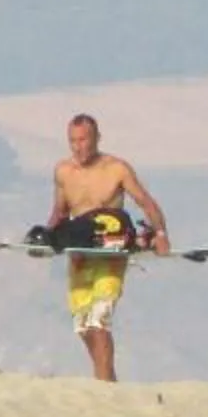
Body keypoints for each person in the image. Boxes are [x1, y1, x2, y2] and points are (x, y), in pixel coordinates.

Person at [46, 113, 169, 384]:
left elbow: (146, 202)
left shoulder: (117, 169)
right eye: (73, 141)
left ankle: (103, 388)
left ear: (97, 138)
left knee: (99, 321)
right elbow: (59, 211)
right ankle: (109, 382)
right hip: (80, 254)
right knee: (82, 325)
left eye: (84, 139)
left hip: (110, 252)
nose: (79, 147)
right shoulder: (63, 171)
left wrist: (160, 234)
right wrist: (47, 238)